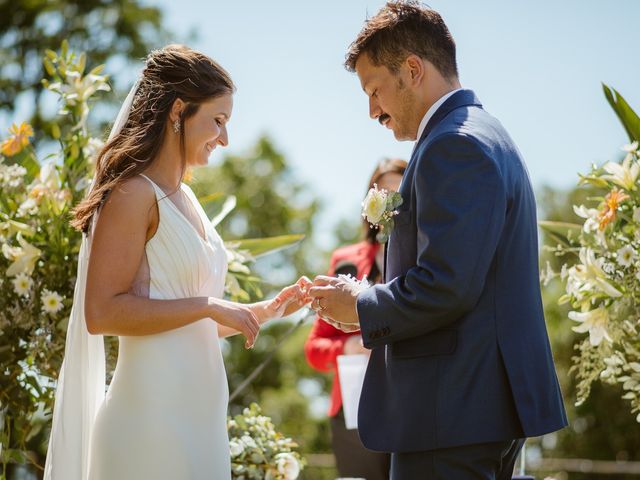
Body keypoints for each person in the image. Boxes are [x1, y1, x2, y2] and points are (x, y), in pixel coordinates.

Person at [308, 2, 568, 479]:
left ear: (412, 70)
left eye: (374, 90)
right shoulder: (482, 133)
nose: (371, 111)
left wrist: (362, 305)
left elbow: (446, 283)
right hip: (471, 407)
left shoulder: (455, 144)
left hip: (450, 410)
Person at [44, 45, 309, 480]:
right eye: (218, 121)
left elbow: (186, 318)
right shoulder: (133, 193)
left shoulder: (187, 200)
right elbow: (102, 312)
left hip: (200, 425)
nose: (224, 139)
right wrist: (208, 305)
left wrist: (263, 311)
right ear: (178, 111)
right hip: (149, 421)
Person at [305, 158, 406, 480]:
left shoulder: (425, 261)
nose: (392, 202)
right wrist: (349, 346)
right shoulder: (346, 262)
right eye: (385, 192)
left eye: (400, 193)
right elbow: (314, 349)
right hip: (353, 408)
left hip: (411, 404)